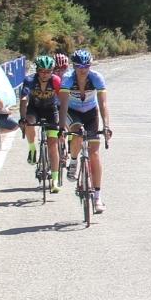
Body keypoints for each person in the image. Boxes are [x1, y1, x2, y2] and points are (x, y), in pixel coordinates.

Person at [62, 50, 112, 213]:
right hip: (72, 112)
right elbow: (63, 104)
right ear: (74, 66)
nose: (83, 69)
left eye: (86, 66)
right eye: (79, 66)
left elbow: (103, 104)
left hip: (91, 113)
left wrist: (106, 126)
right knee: (77, 133)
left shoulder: (96, 78)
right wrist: (62, 126)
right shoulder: (68, 79)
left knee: (94, 154)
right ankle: (74, 161)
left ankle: (97, 197)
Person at [22, 55, 64, 188]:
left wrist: (63, 123)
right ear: (37, 70)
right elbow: (24, 100)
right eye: (42, 71)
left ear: (52, 71)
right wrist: (22, 118)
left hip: (51, 110)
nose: (45, 74)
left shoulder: (56, 80)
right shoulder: (30, 80)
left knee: (53, 145)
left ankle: (55, 180)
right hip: (34, 109)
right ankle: (32, 148)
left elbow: (63, 101)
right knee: (29, 122)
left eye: (48, 71)